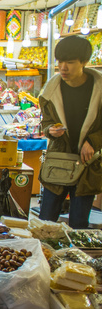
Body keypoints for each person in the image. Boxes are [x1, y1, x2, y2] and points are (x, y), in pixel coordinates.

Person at [39, 35, 102, 228]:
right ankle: (43, 257)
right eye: (60, 62)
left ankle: (73, 258)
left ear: (84, 62)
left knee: (79, 222)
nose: (63, 67)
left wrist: (93, 141)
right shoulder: (50, 92)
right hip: (58, 161)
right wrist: (50, 130)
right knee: (45, 221)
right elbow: (46, 123)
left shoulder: (98, 90)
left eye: (70, 62)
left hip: (87, 164)